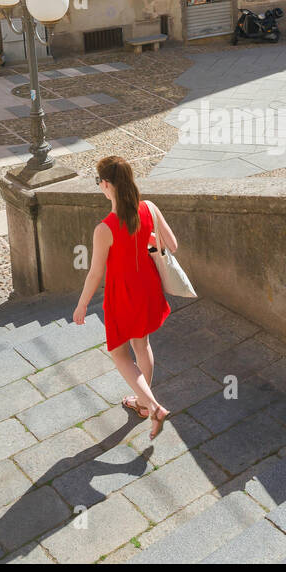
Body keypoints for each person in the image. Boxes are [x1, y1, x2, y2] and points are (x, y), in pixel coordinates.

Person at [73, 156, 175, 439]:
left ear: (106, 185)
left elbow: (95, 274)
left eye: (99, 182)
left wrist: (82, 305)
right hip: (149, 287)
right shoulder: (149, 208)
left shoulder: (104, 228)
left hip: (123, 295)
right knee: (142, 345)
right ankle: (143, 404)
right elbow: (172, 245)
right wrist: (151, 242)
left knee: (120, 354)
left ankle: (153, 406)